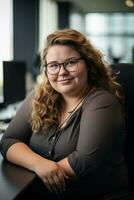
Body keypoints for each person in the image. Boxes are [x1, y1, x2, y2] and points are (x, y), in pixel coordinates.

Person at [0, 28, 129, 199]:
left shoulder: (102, 103)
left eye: (70, 62)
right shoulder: (40, 97)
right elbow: (8, 141)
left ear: (88, 64)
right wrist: (39, 164)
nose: (61, 72)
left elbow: (81, 164)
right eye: (53, 65)